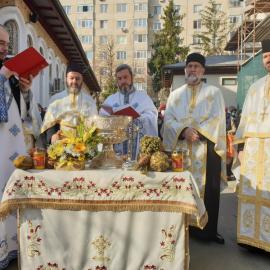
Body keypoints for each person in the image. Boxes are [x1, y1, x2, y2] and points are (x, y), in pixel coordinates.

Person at [162, 53, 227, 244]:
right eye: (189, 66)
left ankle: (208, 231)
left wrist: (195, 130)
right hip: (181, 150)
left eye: (196, 66)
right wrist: (183, 131)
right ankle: (181, 228)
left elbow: (218, 120)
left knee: (209, 190)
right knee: (180, 188)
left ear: (203, 70)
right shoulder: (175, 95)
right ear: (185, 70)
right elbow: (168, 121)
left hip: (206, 149)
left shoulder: (213, 93)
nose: (192, 69)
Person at [0, 25, 41, 268]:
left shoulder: (12, 73)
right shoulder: (5, 73)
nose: (4, 48)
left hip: (13, 149)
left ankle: (13, 246)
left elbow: (25, 116)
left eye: (5, 43)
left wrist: (25, 91)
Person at [233, 39, 270, 253]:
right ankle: (252, 241)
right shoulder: (255, 88)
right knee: (254, 194)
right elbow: (244, 121)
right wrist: (240, 149)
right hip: (255, 152)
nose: (268, 59)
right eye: (265, 56)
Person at [99, 64, 158, 159]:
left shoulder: (143, 97)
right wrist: (113, 120)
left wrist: (137, 119)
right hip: (116, 153)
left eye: (125, 77)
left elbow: (152, 116)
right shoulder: (110, 100)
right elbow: (102, 119)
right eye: (119, 78)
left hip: (138, 151)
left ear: (132, 78)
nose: (123, 81)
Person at [41, 62, 98, 144]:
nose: (74, 81)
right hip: (61, 143)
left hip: (83, 144)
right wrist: (52, 136)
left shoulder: (90, 101)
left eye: (78, 78)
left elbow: (94, 125)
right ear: (66, 79)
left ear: (82, 80)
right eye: (71, 78)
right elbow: (49, 123)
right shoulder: (56, 99)